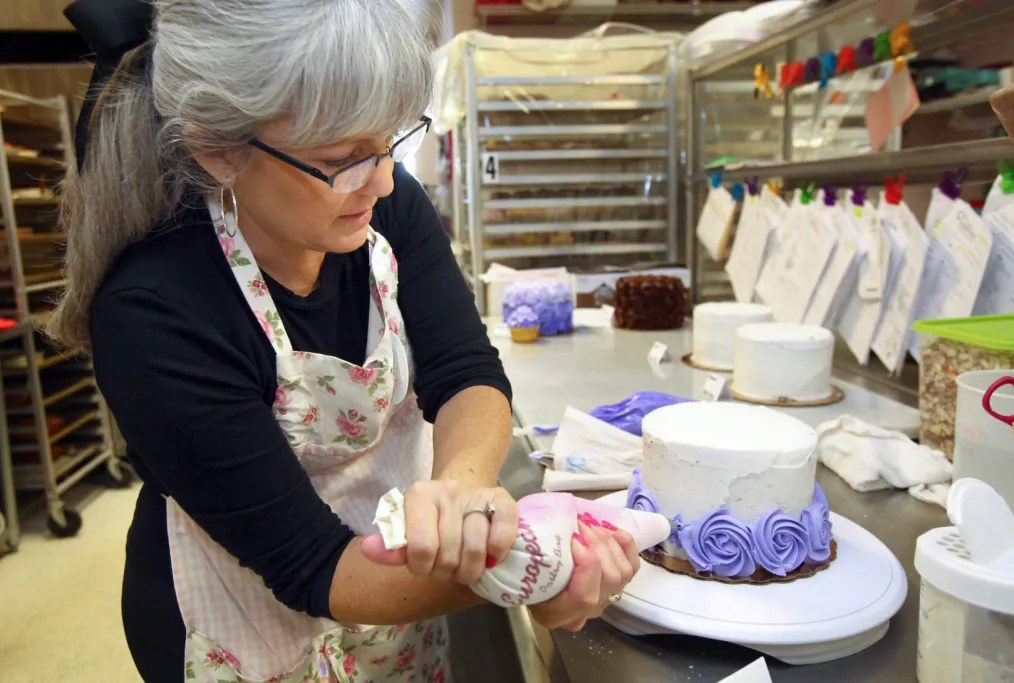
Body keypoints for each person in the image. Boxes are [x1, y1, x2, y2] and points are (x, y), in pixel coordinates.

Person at [53, 1, 642, 681]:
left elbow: (466, 373)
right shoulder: (155, 311)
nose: (384, 179)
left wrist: (463, 491)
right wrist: (533, 568)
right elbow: (315, 567)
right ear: (216, 148)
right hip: (245, 617)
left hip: (393, 604)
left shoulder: (385, 209)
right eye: (341, 159)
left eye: (389, 141)